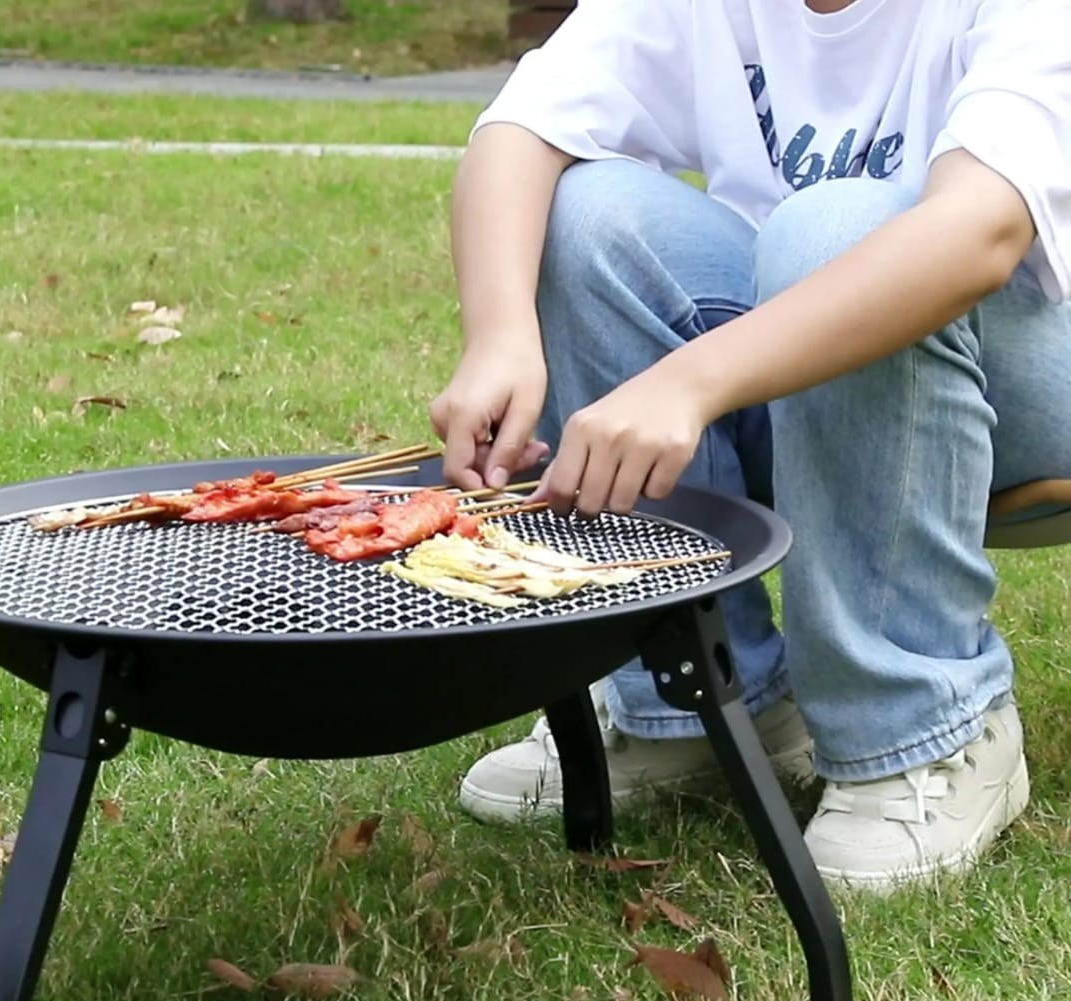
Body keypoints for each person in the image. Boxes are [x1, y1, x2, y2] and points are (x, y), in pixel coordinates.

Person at [430, 0, 1071, 891]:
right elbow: (519, 131)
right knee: (588, 214)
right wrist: (500, 335)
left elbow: (979, 232)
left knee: (836, 229)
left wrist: (689, 383)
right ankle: (693, 703)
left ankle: (927, 727)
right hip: (801, 376)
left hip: (1037, 377)